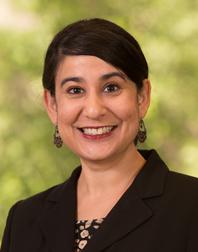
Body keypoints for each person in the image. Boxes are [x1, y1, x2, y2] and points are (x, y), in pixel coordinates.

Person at [1, 18, 198, 252]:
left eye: (111, 87)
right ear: (52, 105)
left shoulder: (191, 206)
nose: (94, 110)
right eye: (75, 90)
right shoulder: (24, 220)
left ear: (142, 97)